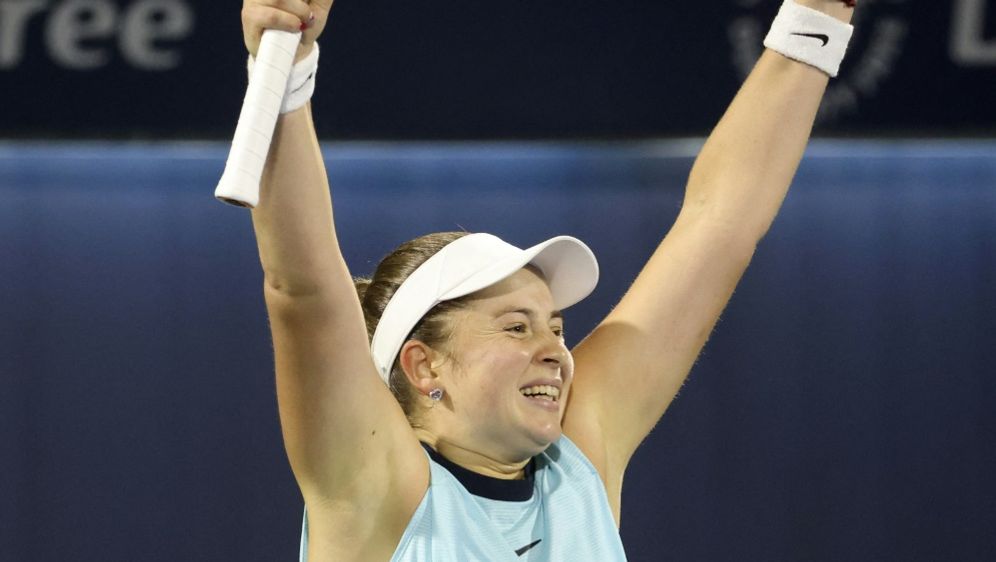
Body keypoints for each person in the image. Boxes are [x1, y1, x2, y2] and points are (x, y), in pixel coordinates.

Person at [239, 0, 857, 560]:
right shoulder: (374, 487)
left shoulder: (579, 458)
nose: (556, 352)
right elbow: (304, 290)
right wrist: (285, 71)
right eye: (517, 327)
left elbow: (719, 224)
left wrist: (820, 13)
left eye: (556, 328)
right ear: (425, 367)